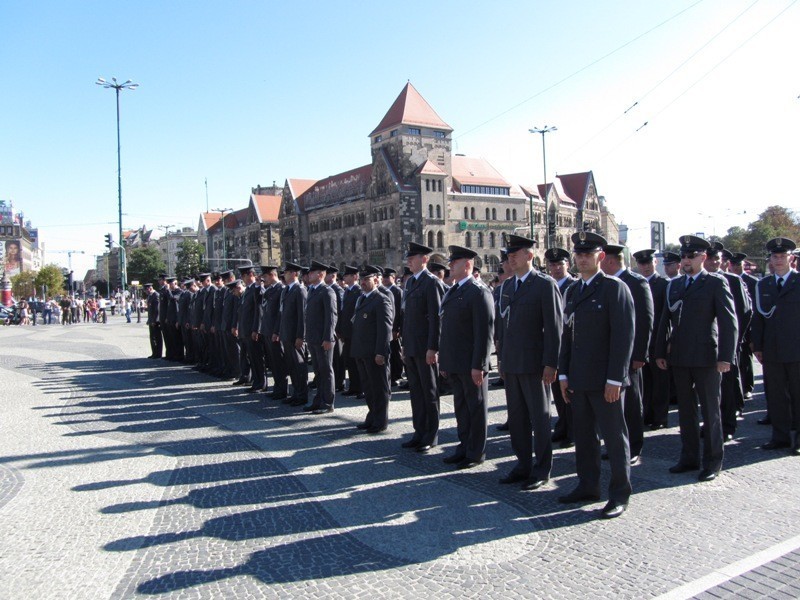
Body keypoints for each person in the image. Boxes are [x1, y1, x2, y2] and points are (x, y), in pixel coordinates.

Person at [558, 231, 635, 519]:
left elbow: (623, 337)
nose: (581, 259)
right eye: (578, 254)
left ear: (601, 257)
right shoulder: (573, 291)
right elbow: (567, 336)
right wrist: (564, 374)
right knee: (585, 437)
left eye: (587, 254)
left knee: (615, 438)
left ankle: (619, 494)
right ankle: (588, 485)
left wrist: (616, 379)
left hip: (606, 381)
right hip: (579, 378)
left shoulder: (614, 289)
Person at [655, 235, 738, 483]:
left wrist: (726, 356)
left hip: (707, 358)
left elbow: (729, 322)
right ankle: (689, 456)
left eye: (691, 256)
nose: (686, 260)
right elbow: (665, 320)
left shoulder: (715, 283)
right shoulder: (676, 285)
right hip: (680, 357)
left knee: (711, 411)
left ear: (703, 258)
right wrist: (660, 351)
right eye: (683, 256)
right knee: (685, 411)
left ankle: (713, 460)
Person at [495, 235, 562, 487]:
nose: (510, 258)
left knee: (540, 417)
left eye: (516, 253)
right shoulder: (507, 287)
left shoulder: (544, 285)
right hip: (512, 363)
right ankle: (522, 463)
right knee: (518, 418)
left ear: (530, 256)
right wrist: (501, 360)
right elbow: (502, 327)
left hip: (535, 365)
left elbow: (554, 328)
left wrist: (551, 363)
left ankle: (542, 468)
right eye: (508, 254)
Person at [439, 245, 495, 469]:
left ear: (468, 264)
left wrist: (479, 364)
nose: (450, 265)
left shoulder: (479, 291)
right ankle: (464, 446)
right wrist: (445, 360)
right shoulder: (453, 291)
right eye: (451, 262)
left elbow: (484, 332)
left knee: (476, 408)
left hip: (471, 363)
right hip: (455, 362)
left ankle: (475, 452)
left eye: (455, 262)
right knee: (461, 408)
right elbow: (448, 329)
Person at [601, 244, 654, 465]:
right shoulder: (605, 284)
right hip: (610, 354)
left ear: (611, 261)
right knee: (614, 405)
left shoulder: (636, 282)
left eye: (603, 260)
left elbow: (645, 320)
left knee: (632, 402)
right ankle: (616, 445)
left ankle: (634, 446)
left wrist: (640, 354)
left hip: (631, 356)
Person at [751, 237, 800, 455]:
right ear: (770, 259)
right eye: (775, 256)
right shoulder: (764, 285)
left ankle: (798, 439)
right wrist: (758, 346)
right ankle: (779, 437)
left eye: (783, 256)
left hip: (797, 349)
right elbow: (758, 318)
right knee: (777, 396)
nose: (778, 260)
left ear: (791, 259)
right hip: (773, 350)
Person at [400, 241, 445, 453]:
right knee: (416, 392)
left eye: (413, 257)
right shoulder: (410, 283)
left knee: (429, 392)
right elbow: (407, 317)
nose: (409, 260)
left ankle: (431, 434)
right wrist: (404, 346)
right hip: (411, 346)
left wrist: (433, 347)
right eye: (409, 257)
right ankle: (419, 431)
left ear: (424, 259)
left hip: (425, 348)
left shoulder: (431, 283)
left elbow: (436, 319)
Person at [705, 244, 751, 441]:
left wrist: (735, 342)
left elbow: (744, 313)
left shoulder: (733, 280)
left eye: (718, 259)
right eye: (711, 259)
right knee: (708, 394)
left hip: (727, 346)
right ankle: (710, 426)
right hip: (706, 348)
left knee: (728, 389)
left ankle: (727, 425)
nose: (715, 262)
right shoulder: (698, 281)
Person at [351, 265, 394, 433]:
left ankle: (380, 420)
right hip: (361, 350)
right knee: (368, 388)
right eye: (361, 279)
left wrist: (381, 352)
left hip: (374, 353)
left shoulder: (381, 299)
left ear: (376, 280)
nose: (362, 282)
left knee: (378, 387)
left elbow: (385, 329)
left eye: (366, 279)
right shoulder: (362, 299)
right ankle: (372, 415)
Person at [633, 248, 671, 430]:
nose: (645, 267)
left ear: (655, 263)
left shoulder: (664, 284)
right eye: (642, 263)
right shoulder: (633, 283)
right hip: (641, 341)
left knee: (660, 382)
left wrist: (666, 342)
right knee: (644, 382)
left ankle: (660, 416)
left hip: (657, 339)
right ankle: (645, 413)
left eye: (648, 263)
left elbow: (667, 316)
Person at [545, 246, 576, 446]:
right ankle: (563, 426)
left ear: (567, 265)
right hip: (552, 347)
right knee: (556, 390)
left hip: (569, 347)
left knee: (569, 393)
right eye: (552, 264)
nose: (556, 268)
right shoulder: (547, 286)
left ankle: (573, 432)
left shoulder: (574, 286)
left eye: (560, 264)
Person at [303, 260, 338, 414]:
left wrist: (329, 337)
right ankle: (318, 399)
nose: (309, 275)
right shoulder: (312, 290)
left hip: (323, 338)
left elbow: (331, 317)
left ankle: (328, 402)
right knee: (318, 371)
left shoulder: (327, 291)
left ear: (321, 274)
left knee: (326, 370)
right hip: (313, 338)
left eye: (312, 272)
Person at [278, 262, 309, 407]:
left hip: (295, 335)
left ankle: (302, 394)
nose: (284, 275)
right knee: (291, 366)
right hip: (286, 334)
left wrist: (300, 336)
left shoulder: (300, 290)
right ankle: (296, 392)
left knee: (299, 366)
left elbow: (302, 316)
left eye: (287, 272)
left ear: (295, 274)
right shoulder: (287, 290)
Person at [260, 265, 288, 399]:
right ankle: (277, 387)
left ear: (272, 275)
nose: (263, 279)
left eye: (265, 276)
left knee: (279, 361)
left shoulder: (280, 289)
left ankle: (282, 389)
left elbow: (280, 314)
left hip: (275, 332)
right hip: (267, 330)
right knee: (273, 362)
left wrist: (276, 331)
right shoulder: (269, 290)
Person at [337, 265, 363, 398]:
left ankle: (360, 387)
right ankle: (353, 386)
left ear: (355, 277)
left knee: (357, 361)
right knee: (349, 361)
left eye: (347, 275)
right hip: (346, 332)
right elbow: (343, 312)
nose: (345, 278)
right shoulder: (347, 291)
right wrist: (341, 330)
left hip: (355, 332)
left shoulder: (359, 291)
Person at [237, 266, 264, 393]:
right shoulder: (248, 290)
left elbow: (258, 310)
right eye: (242, 276)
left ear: (251, 275)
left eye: (244, 276)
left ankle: (260, 382)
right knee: (252, 358)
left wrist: (256, 329)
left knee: (257, 358)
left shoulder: (256, 288)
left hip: (252, 329)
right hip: (246, 329)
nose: (243, 279)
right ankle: (256, 381)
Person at [382, 267, 404, 387]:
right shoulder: (383, 290)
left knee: (396, 352)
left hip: (394, 328)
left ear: (393, 278)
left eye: (387, 277)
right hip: (387, 327)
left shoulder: (397, 291)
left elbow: (399, 312)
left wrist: (397, 329)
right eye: (383, 277)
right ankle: (391, 374)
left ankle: (397, 375)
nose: (384, 279)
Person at [145, 284, 161, 358]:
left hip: (155, 321)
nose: (145, 292)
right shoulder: (150, 296)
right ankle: (154, 353)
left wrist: (155, 320)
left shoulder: (156, 295)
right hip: (151, 320)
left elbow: (157, 309)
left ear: (150, 288)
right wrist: (149, 319)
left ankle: (158, 353)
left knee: (156, 337)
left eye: (146, 290)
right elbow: (150, 310)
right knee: (152, 337)